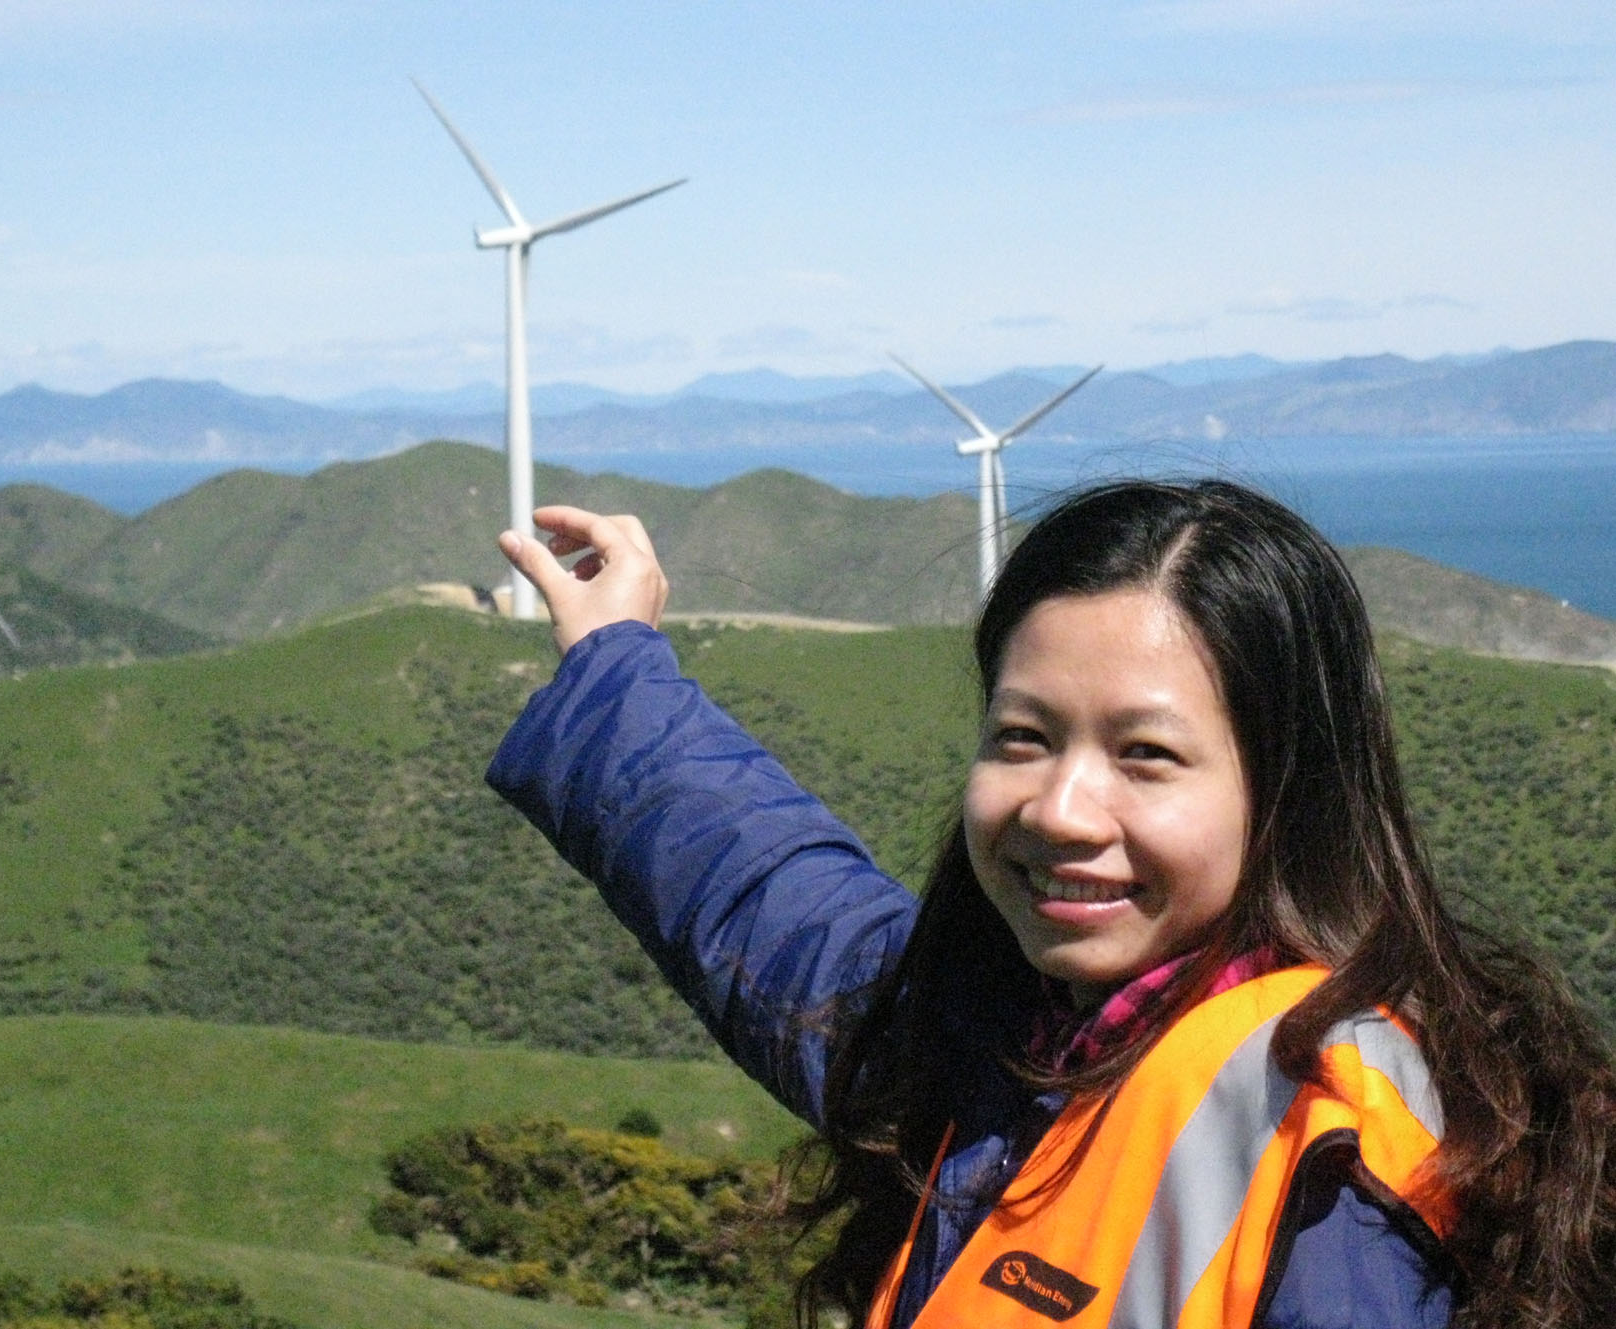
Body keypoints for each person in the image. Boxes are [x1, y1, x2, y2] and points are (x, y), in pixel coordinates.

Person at [485, 480, 1616, 1329]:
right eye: (1022, 737)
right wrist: (614, 665)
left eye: (1146, 754)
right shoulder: (1004, 1033)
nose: (1063, 808)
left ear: (1285, 789)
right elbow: (771, 903)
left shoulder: (1329, 1147)